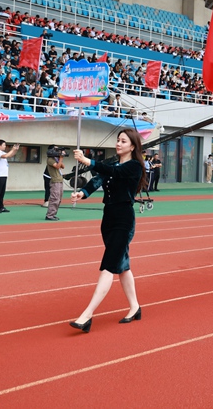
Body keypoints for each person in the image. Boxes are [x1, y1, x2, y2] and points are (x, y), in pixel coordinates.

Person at [69, 129, 146, 331]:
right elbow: (98, 180)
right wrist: (82, 193)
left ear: (133, 146)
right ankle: (135, 307)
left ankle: (87, 316)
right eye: (117, 140)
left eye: (123, 141)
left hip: (123, 220)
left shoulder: (135, 166)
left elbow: (115, 173)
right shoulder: (112, 164)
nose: (118, 144)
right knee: (123, 266)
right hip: (108, 219)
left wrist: (88, 161)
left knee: (109, 266)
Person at [0, 140, 19, 213]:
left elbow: (10, 155)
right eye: (4, 145)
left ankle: (1, 207)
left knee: (2, 192)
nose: (5, 146)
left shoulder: (2, 152)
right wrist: (12, 150)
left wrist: (15, 150)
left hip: (4, 174)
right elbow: (5, 156)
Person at [45, 149, 65, 221]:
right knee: (55, 198)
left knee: (59, 199)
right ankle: (49, 215)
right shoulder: (50, 160)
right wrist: (61, 158)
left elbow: (62, 166)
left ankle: (53, 214)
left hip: (59, 180)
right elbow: (57, 166)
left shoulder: (56, 159)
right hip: (55, 181)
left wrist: (60, 158)